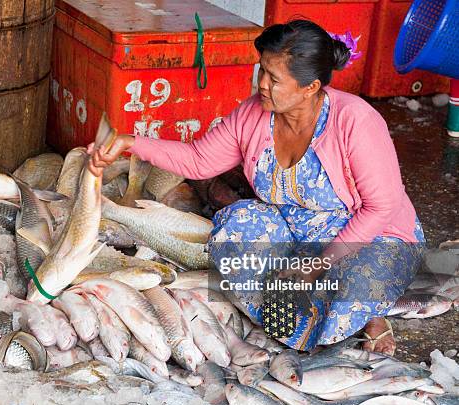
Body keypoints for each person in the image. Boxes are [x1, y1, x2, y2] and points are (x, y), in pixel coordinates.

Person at [87, 20, 425, 356]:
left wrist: (318, 264)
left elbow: (380, 208)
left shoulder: (356, 121)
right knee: (233, 230)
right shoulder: (255, 114)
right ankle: (296, 310)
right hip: (292, 232)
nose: (262, 84)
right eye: (261, 71)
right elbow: (198, 159)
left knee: (341, 306)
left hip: (369, 237)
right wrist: (128, 142)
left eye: (274, 79)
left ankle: (365, 314)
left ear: (310, 87)